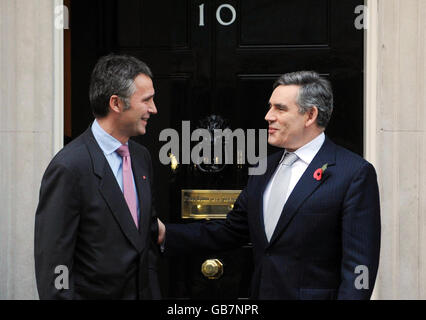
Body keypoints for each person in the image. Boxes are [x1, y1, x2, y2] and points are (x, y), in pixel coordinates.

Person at [159, 71, 381, 300]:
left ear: (310, 115)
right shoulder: (263, 168)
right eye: (269, 107)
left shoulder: (353, 173)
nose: (268, 116)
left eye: (280, 108)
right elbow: (230, 232)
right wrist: (166, 234)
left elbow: (360, 265)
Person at [35, 54, 161, 299]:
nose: (153, 109)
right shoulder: (69, 168)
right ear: (116, 103)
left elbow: (144, 241)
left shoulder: (141, 157)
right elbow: (55, 267)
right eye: (147, 100)